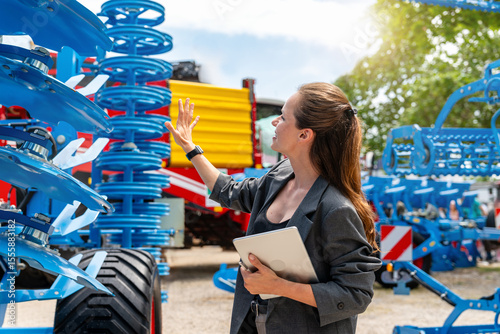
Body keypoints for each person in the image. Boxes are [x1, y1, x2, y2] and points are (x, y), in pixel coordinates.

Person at [165, 82, 382, 333]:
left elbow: (356, 295)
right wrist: (191, 149)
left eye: (283, 117)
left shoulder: (336, 208)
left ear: (304, 135)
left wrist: (279, 286)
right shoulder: (278, 176)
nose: (273, 122)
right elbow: (228, 192)